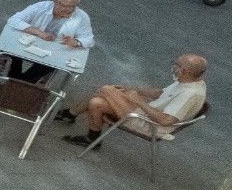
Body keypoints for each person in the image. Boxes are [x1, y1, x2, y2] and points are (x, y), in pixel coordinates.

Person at [61, 54, 207, 149]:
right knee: (97, 103)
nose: (173, 66)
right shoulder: (187, 80)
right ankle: (92, 138)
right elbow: (161, 93)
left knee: (106, 89)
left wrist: (138, 100)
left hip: (150, 125)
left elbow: (165, 121)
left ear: (185, 71)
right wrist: (130, 89)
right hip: (145, 113)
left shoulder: (190, 94)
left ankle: (70, 114)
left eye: (177, 65)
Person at [6, 0, 95, 82]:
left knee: (45, 68)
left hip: (53, 53)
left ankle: (19, 85)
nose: (69, 9)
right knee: (12, 54)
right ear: (56, 2)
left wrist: (76, 41)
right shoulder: (41, 6)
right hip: (28, 43)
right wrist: (39, 32)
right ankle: (15, 83)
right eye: (65, 6)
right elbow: (14, 20)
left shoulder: (82, 16)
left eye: (72, 6)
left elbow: (89, 39)